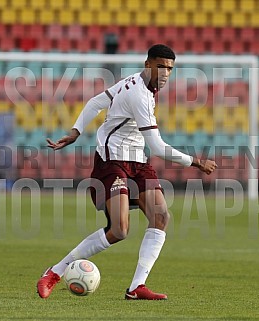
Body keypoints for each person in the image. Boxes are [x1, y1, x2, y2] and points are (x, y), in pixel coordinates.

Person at [37, 44, 217, 300]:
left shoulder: (138, 83)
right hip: (113, 161)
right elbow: (157, 146)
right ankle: (54, 272)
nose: (165, 73)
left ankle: (136, 287)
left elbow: (96, 101)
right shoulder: (139, 95)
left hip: (138, 162)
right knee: (119, 230)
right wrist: (196, 162)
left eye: (170, 69)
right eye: (161, 67)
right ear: (148, 65)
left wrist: (76, 131)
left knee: (161, 216)